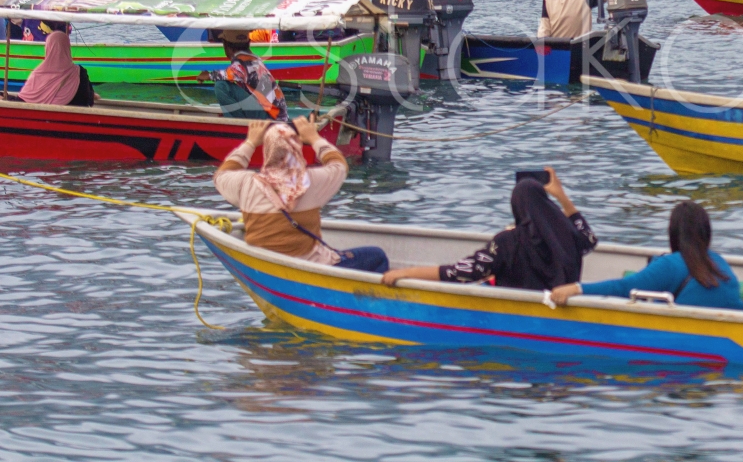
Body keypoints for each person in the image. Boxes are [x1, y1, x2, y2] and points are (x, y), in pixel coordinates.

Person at [214, 117, 389, 273]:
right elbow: (339, 165)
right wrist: (314, 138)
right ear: (297, 147)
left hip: (268, 267)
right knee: (377, 255)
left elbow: (221, 175)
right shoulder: (312, 181)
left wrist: (250, 142)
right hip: (314, 268)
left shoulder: (246, 184)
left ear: (267, 149)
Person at [381, 170, 596, 290]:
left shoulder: (507, 242)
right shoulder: (571, 236)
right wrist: (562, 196)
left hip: (517, 315)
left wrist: (405, 272)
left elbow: (459, 273)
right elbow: (589, 237)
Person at [550, 200, 743, 310]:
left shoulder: (669, 265)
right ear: (706, 232)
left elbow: (622, 287)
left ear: (674, 232)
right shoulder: (719, 261)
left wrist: (576, 288)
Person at [198, 31, 288, 120]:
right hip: (276, 115)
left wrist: (208, 75)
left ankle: (239, 123)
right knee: (230, 85)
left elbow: (230, 73)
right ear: (248, 43)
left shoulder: (242, 61)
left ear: (227, 46)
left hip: (271, 117)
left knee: (221, 85)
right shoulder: (253, 58)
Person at [12, 31, 94, 107]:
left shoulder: (38, 74)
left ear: (48, 48)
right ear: (67, 48)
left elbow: (23, 100)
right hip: (73, 120)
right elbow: (89, 100)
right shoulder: (80, 73)